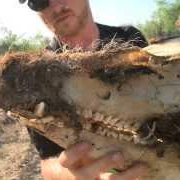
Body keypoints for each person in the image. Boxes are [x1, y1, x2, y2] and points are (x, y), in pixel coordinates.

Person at [19, 0, 149, 179]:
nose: (56, 7)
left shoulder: (131, 39)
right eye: (39, 1)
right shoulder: (37, 77)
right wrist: (68, 175)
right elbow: (47, 160)